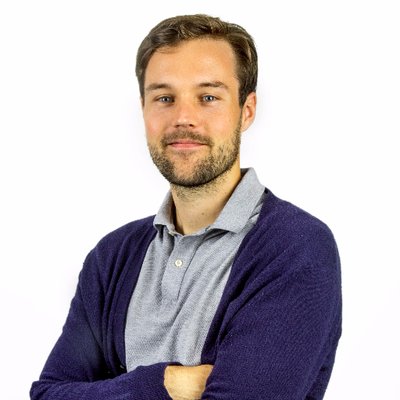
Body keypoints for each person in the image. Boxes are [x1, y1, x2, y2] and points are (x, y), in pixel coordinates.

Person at [30, 14, 342, 400]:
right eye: (164, 98)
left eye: (208, 97)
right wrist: (167, 384)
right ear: (143, 109)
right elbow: (48, 394)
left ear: (246, 110)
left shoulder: (295, 248)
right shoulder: (111, 258)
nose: (183, 118)